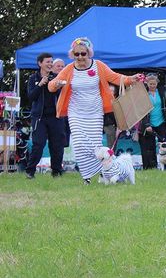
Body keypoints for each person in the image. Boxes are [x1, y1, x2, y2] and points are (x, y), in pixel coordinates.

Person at [48, 37, 144, 184]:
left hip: (95, 112)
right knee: (80, 144)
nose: (80, 57)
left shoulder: (98, 66)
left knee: (95, 146)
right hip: (76, 112)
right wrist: (57, 84)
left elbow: (116, 78)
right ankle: (86, 177)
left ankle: (101, 171)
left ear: (89, 53)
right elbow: (51, 86)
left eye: (83, 53)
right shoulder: (68, 69)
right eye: (76, 54)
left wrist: (132, 78)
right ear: (72, 55)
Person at [25, 53, 66, 178]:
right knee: (38, 144)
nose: (50, 64)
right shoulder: (33, 78)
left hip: (56, 117)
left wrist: (60, 87)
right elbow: (31, 97)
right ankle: (30, 171)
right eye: (47, 62)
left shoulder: (56, 78)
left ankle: (56, 171)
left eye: (51, 62)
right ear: (40, 63)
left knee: (57, 144)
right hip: (39, 117)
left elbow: (64, 96)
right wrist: (40, 84)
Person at [139, 73, 166, 170]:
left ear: (157, 83)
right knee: (150, 147)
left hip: (161, 122)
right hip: (150, 124)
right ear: (147, 84)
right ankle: (151, 167)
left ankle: (165, 166)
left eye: (154, 84)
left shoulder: (162, 92)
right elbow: (141, 110)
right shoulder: (143, 93)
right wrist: (146, 125)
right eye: (150, 84)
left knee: (163, 145)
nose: (152, 86)